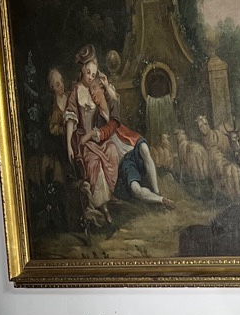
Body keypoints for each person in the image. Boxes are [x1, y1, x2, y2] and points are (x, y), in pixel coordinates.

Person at [63, 45, 170, 212]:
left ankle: (157, 191)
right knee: (126, 176)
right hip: (109, 149)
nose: (92, 93)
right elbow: (84, 123)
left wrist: (106, 87)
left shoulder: (108, 102)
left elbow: (114, 117)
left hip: (124, 140)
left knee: (143, 148)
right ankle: (157, 200)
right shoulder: (90, 108)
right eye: (88, 73)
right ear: (82, 70)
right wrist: (74, 141)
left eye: (94, 76)